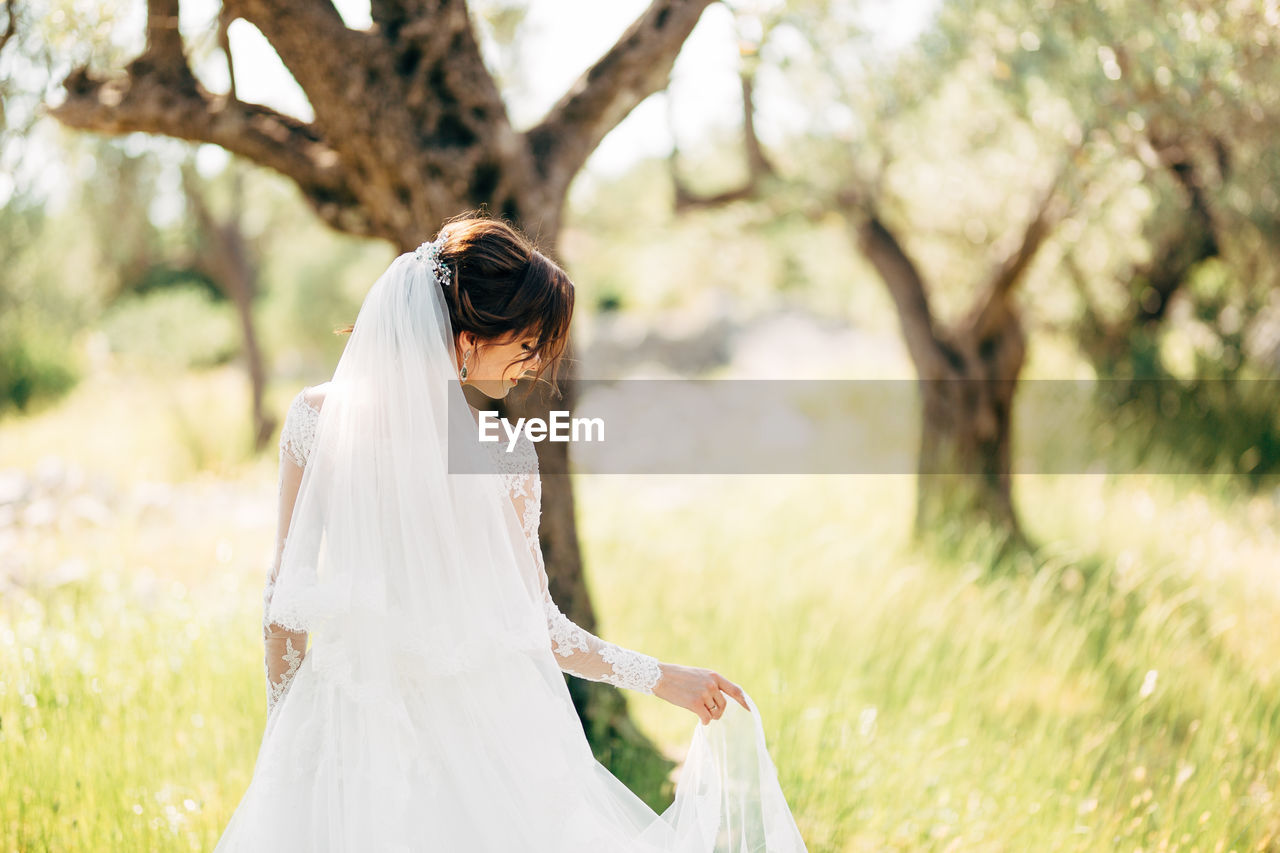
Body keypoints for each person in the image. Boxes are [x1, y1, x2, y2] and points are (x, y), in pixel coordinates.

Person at [213, 214, 808, 851]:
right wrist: (288, 741)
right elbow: (285, 599)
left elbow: (535, 623)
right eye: (525, 346)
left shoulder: (495, 453)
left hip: (427, 735)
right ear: (468, 338)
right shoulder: (335, 424)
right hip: (372, 732)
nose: (533, 366)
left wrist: (661, 677)